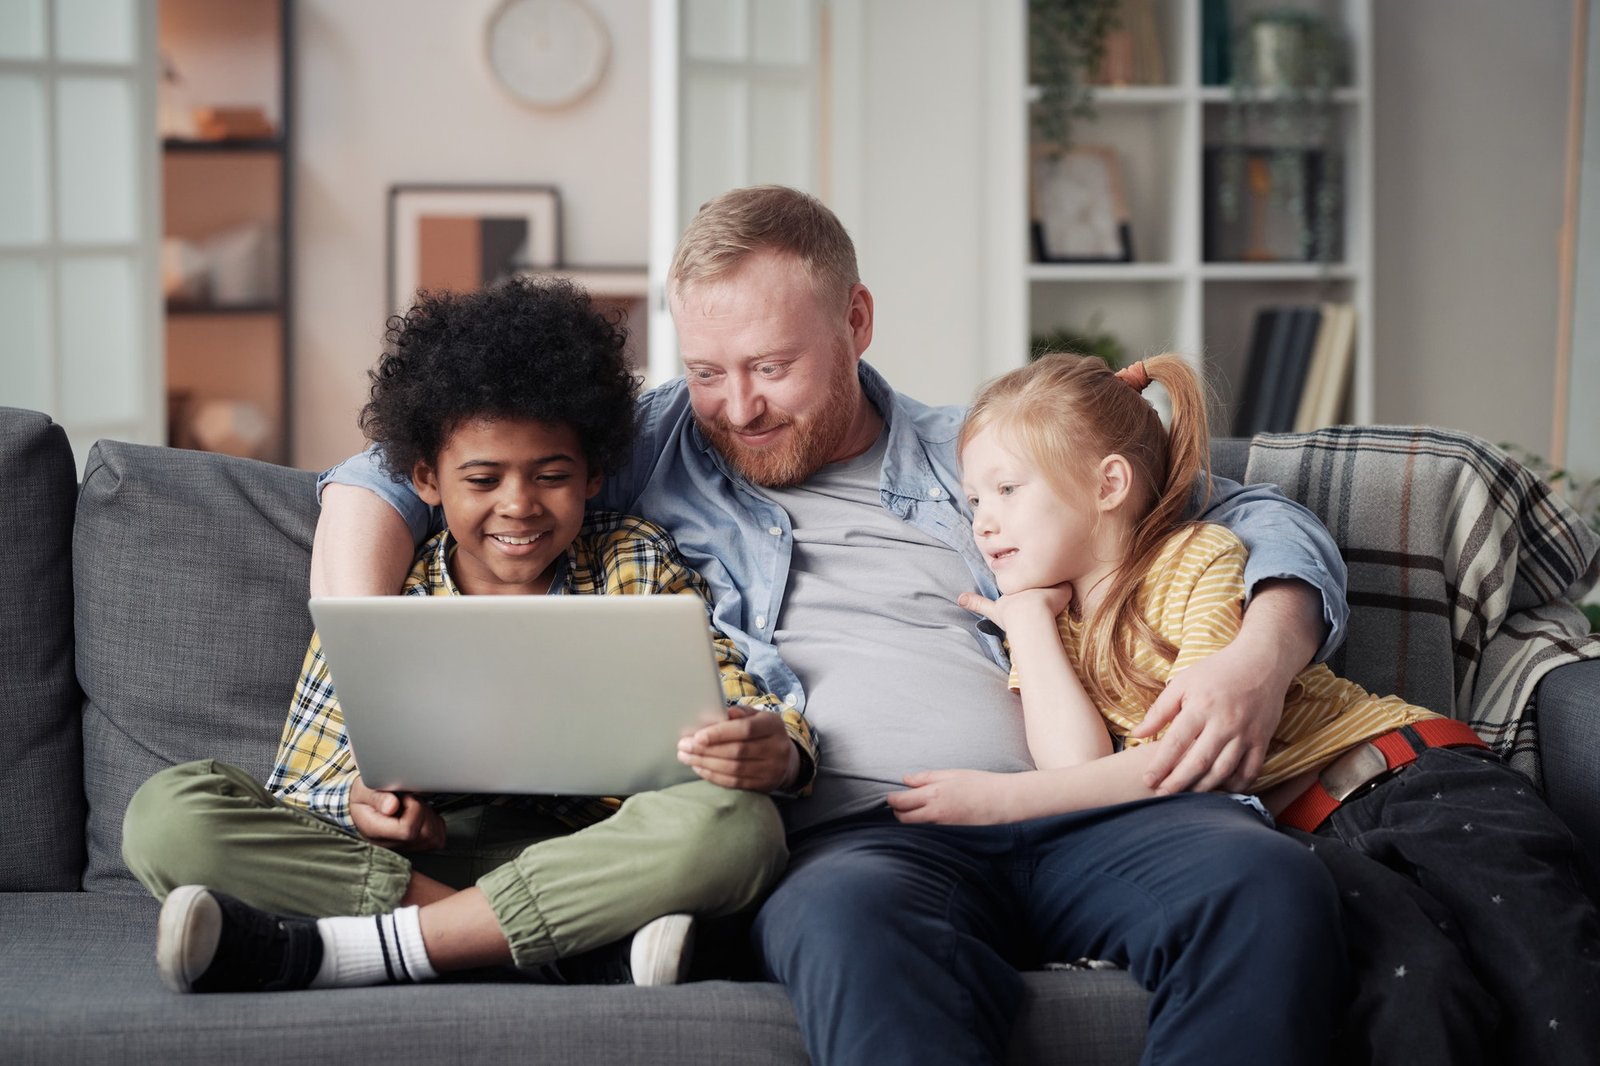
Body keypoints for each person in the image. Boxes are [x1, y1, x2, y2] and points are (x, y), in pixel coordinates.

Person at [313, 186, 1350, 1064]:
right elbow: (389, 472)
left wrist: (1260, 653)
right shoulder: (642, 450)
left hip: (1084, 804)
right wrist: (376, 694)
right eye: (708, 369)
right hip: (862, 839)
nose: (737, 407)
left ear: (856, 320)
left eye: (771, 366)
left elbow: (1255, 514)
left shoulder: (978, 449)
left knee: (1263, 886)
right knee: (844, 928)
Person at [886, 351, 1600, 1065]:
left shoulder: (1196, 557)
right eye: (976, 500)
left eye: (1007, 489)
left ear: (1108, 483)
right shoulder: (1047, 636)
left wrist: (1003, 801)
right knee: (1413, 999)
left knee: (1549, 975)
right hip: (1302, 837)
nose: (983, 523)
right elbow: (1081, 768)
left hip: (1412, 780)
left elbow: (1190, 758)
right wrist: (1030, 625)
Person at [121, 277, 810, 994]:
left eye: (551, 476)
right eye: (482, 479)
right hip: (421, 869)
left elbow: (735, 696)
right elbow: (304, 784)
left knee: (738, 826)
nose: (518, 506)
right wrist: (366, 801)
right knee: (166, 818)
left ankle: (359, 951)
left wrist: (770, 741)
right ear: (426, 478)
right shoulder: (387, 597)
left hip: (591, 856)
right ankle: (558, 954)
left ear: (594, 474)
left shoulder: (632, 557)